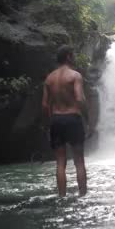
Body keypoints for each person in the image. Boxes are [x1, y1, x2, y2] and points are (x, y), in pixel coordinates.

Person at [42, 45, 90, 197]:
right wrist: (87, 118)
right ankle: (82, 195)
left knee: (60, 162)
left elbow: (44, 104)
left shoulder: (49, 79)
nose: (74, 57)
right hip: (73, 118)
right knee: (79, 161)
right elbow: (80, 99)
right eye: (73, 55)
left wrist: (50, 121)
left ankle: (62, 196)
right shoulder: (75, 76)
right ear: (69, 56)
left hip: (56, 119)